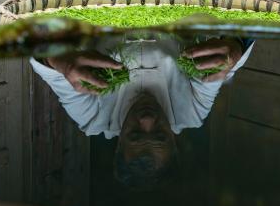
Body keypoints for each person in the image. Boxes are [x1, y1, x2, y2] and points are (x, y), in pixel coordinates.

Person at [31, 36, 253, 189]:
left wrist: (59, 61)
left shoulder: (93, 118)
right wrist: (233, 50)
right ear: (174, 143)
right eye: (160, 135)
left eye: (135, 134)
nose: (147, 120)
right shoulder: (192, 112)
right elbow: (222, 66)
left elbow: (45, 63)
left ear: (118, 144)